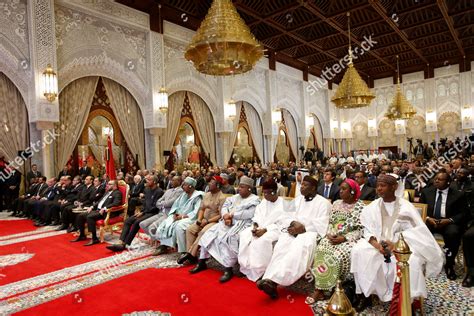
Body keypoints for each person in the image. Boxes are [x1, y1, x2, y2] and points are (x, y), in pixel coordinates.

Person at [350, 174, 443, 311]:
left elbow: (417, 232)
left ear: (394, 187)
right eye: (377, 186)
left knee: (412, 261)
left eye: (383, 186)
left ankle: (407, 300)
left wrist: (396, 243)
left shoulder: (406, 207)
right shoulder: (372, 207)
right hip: (378, 244)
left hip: (403, 245)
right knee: (359, 251)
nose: (379, 189)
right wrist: (376, 244)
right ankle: (366, 295)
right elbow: (367, 230)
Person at [257, 176, 331, 299]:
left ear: (313, 188)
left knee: (298, 247)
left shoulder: (324, 203)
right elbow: (284, 215)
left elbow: (322, 224)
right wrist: (293, 223)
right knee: (282, 244)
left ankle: (274, 282)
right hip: (293, 230)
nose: (301, 187)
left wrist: (304, 228)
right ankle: (268, 278)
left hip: (310, 233)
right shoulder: (297, 200)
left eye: (305, 185)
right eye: (301, 184)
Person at [189, 176, 260, 283]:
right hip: (226, 221)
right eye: (239, 186)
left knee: (230, 237)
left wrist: (231, 215)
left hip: (242, 223)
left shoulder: (255, 200)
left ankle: (228, 268)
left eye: (242, 187)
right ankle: (202, 262)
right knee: (209, 234)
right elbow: (224, 207)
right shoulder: (235, 197)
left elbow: (249, 214)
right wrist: (225, 215)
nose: (239, 189)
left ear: (249, 188)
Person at [305, 179, 364, 304]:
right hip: (333, 236)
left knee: (338, 255)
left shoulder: (360, 207)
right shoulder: (336, 203)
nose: (340, 191)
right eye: (340, 188)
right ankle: (319, 288)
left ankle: (336, 287)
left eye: (344, 189)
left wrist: (344, 238)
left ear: (352, 192)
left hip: (349, 239)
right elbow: (331, 223)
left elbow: (361, 229)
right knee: (321, 249)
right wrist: (330, 234)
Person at [419, 171, 467, 280]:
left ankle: (449, 265)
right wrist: (427, 218)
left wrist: (449, 220)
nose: (436, 181)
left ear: (448, 182)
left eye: (440, 179)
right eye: (436, 179)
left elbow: (463, 213)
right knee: (419, 230)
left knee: (453, 233)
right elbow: (421, 208)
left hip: (448, 222)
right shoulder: (427, 192)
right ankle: (423, 260)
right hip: (430, 221)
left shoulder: (458, 194)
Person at [238, 179, 286, 282]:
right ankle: (246, 267)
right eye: (263, 193)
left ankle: (261, 271)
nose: (264, 196)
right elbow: (257, 216)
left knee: (262, 241)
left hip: (275, 230)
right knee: (244, 235)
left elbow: (283, 223)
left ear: (273, 192)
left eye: (266, 193)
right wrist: (255, 226)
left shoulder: (284, 204)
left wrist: (265, 230)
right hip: (260, 227)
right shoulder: (264, 201)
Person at [177, 176, 226, 265]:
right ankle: (192, 256)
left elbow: (220, 215)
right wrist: (199, 219)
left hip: (214, 222)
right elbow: (201, 209)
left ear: (217, 185)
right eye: (209, 182)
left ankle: (191, 254)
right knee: (190, 229)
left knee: (203, 232)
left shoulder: (222, 197)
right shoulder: (206, 194)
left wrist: (207, 221)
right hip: (203, 219)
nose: (209, 184)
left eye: (212, 183)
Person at [107, 175, 163, 252]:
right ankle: (121, 241)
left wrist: (143, 212)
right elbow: (145, 203)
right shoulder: (146, 189)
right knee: (127, 221)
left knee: (137, 222)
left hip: (153, 213)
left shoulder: (159, 191)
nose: (146, 181)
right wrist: (141, 211)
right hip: (145, 211)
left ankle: (125, 244)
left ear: (155, 182)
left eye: (149, 180)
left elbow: (155, 207)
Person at [152, 177, 204, 255]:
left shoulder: (197, 196)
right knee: (165, 223)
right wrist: (174, 214)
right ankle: (163, 246)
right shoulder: (183, 195)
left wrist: (182, 217)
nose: (183, 187)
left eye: (185, 185)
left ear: (191, 186)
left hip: (191, 218)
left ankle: (183, 251)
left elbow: (196, 212)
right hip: (179, 216)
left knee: (179, 226)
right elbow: (175, 206)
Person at [71, 180, 123, 246]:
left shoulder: (117, 193)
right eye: (108, 184)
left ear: (115, 186)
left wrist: (104, 208)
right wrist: (92, 207)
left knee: (90, 217)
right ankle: (82, 235)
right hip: (98, 210)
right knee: (80, 216)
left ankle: (94, 238)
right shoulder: (107, 192)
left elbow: (116, 203)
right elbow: (99, 201)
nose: (107, 185)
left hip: (107, 212)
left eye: (110, 184)